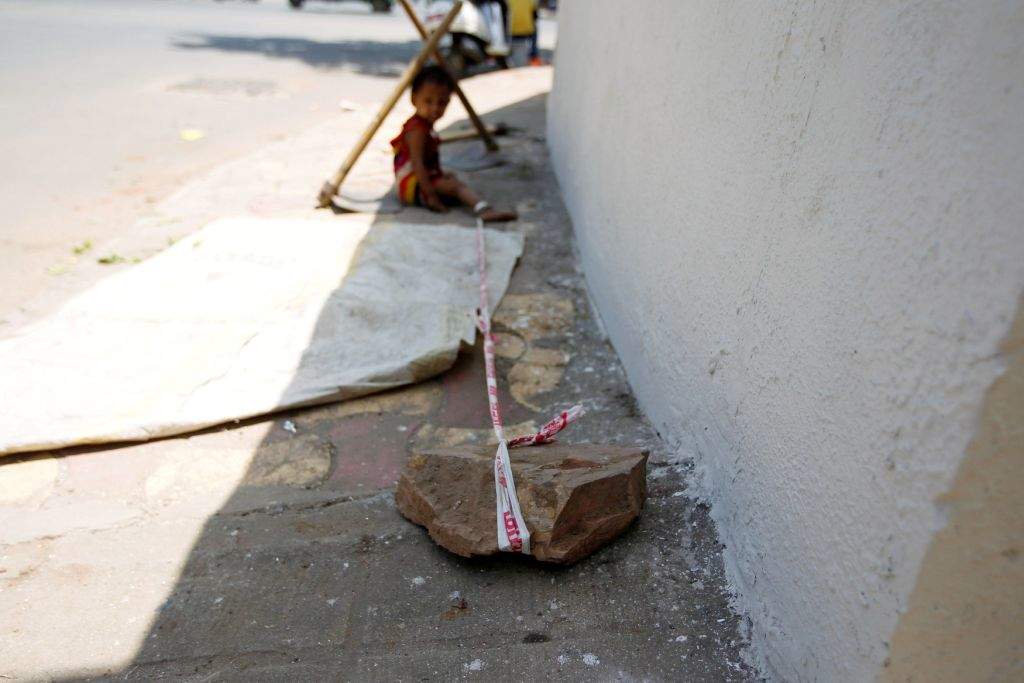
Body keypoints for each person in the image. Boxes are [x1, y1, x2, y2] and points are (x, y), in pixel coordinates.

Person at [390, 65, 516, 222]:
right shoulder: (417, 130)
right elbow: (417, 164)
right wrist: (430, 196)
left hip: (417, 180)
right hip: (411, 186)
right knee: (458, 188)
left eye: (441, 103)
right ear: (414, 99)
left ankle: (453, 195)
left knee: (453, 182)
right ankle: (484, 210)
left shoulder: (424, 125)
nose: (435, 108)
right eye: (428, 101)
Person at [509, 0, 542, 66]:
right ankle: (534, 56)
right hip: (527, 29)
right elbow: (535, 15)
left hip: (512, 30)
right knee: (535, 29)